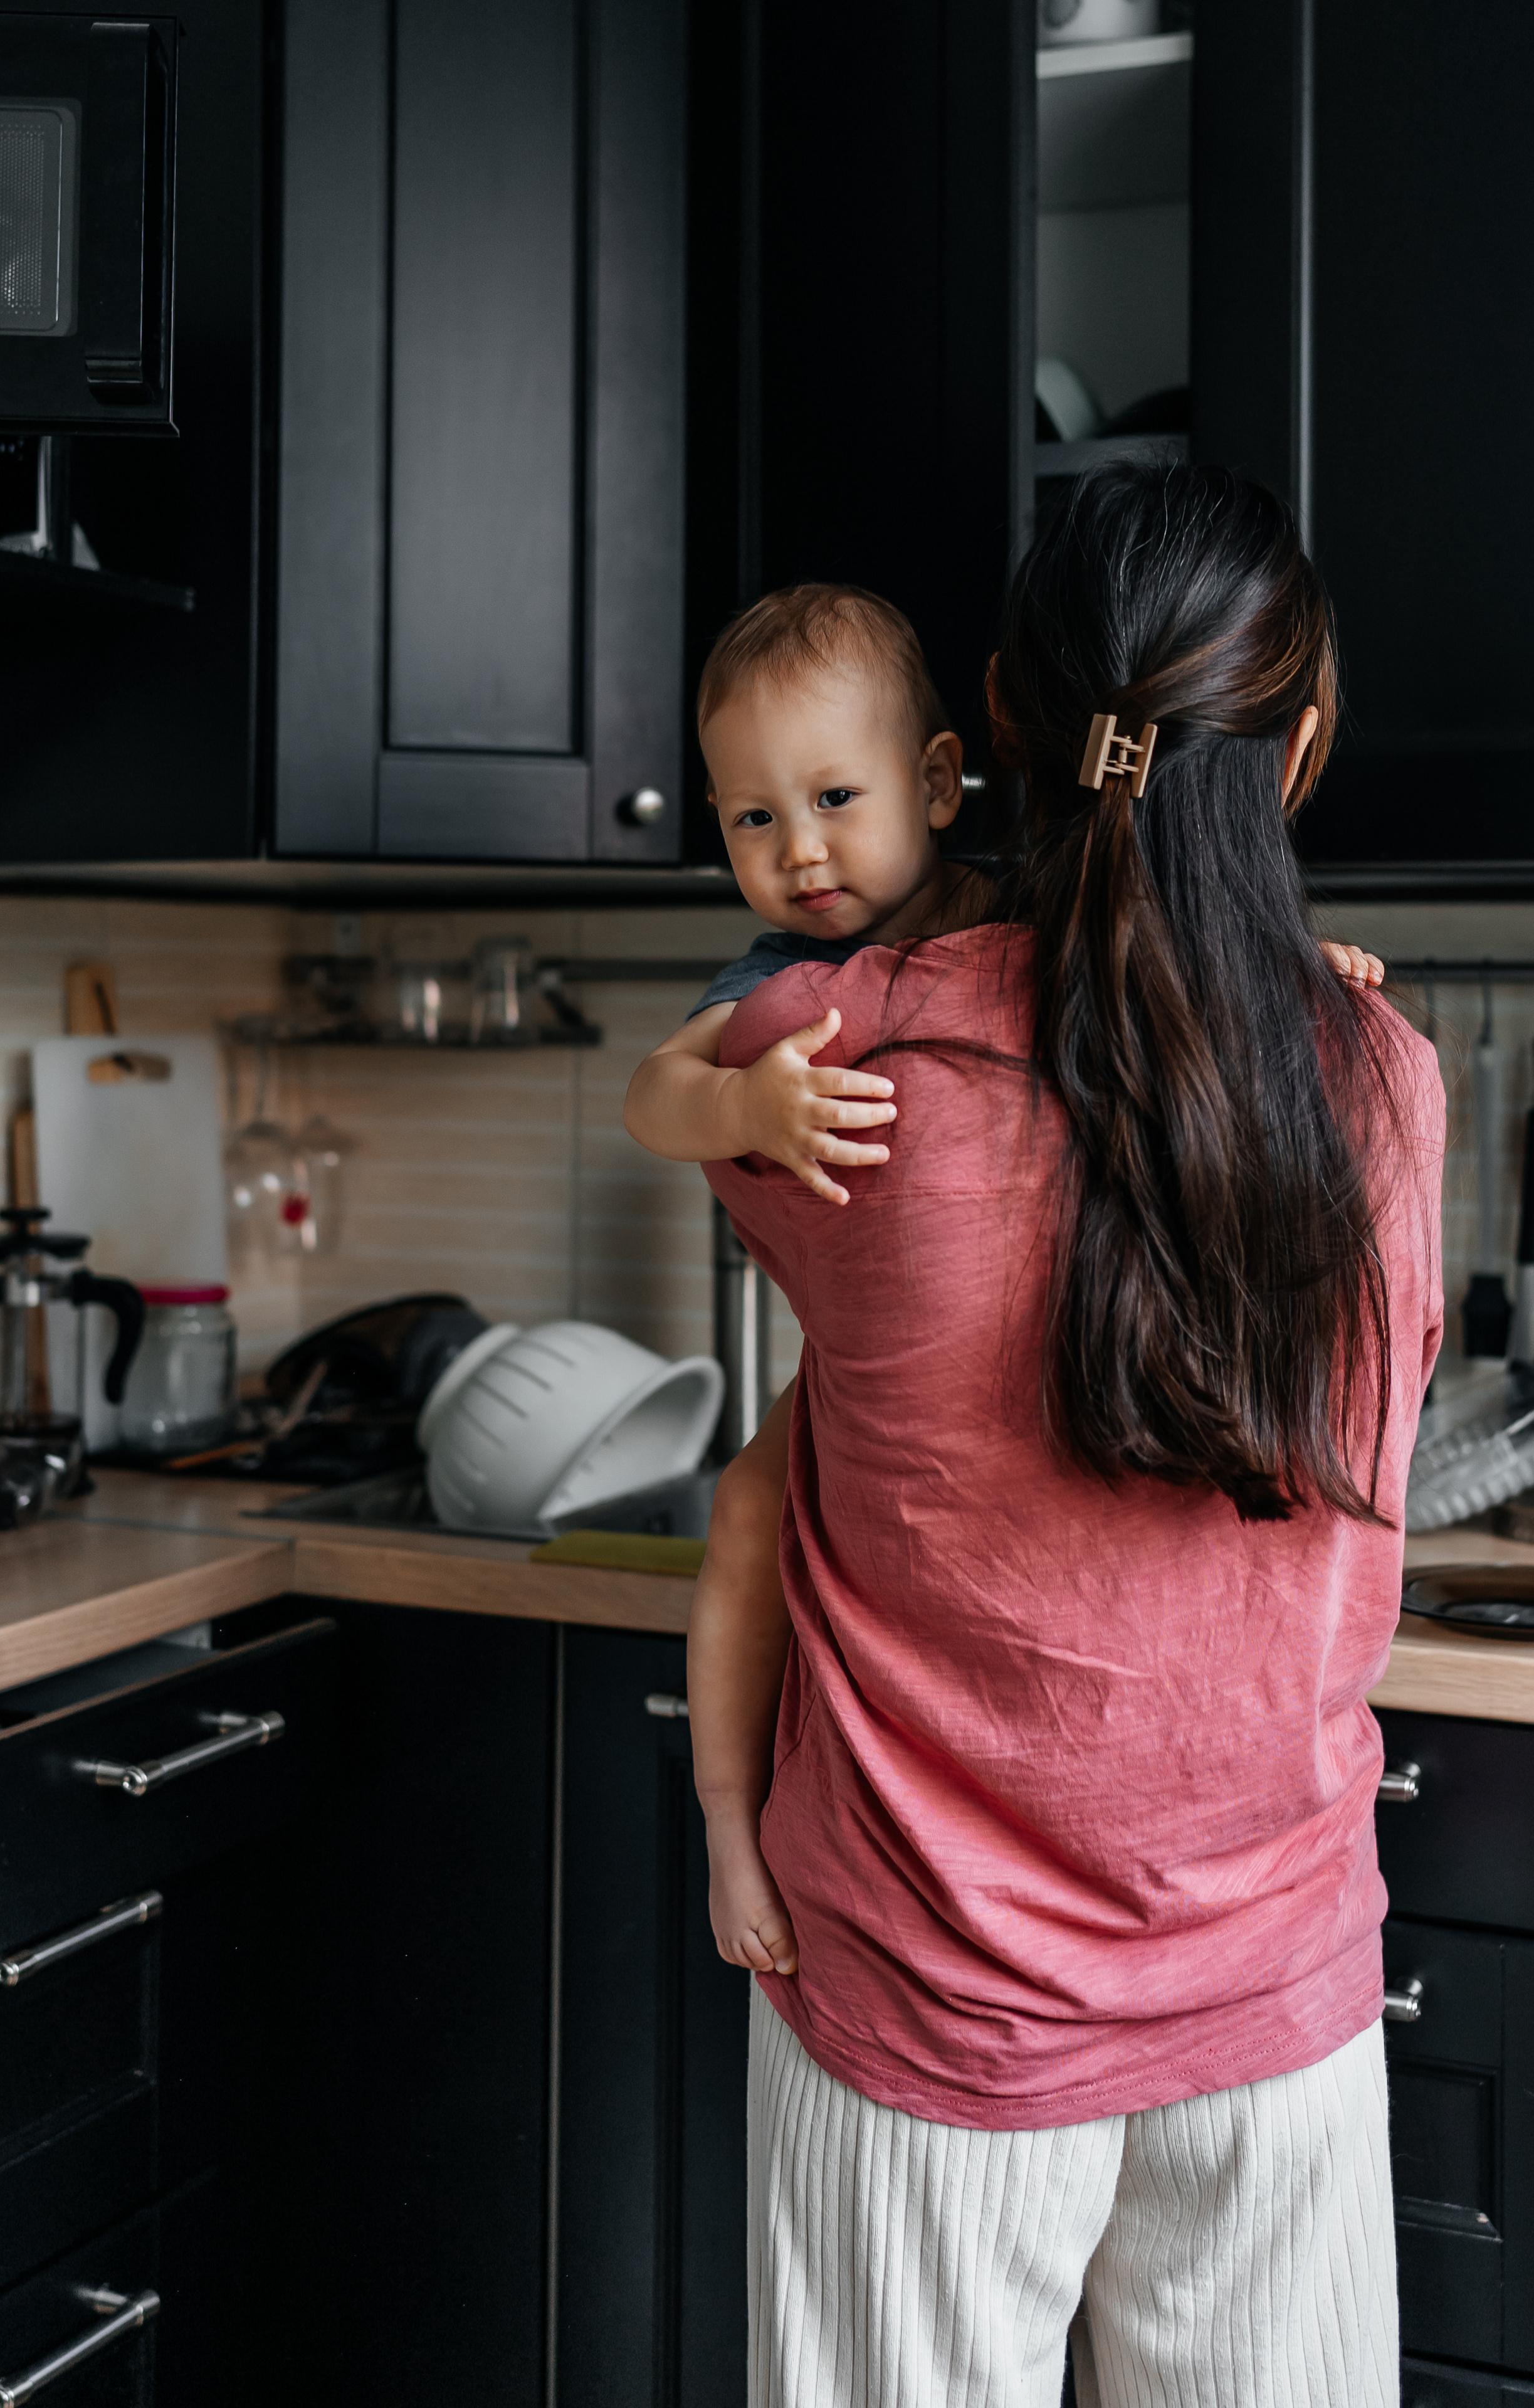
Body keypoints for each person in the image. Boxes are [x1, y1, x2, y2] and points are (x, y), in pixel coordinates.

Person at [681, 465, 1445, 2408]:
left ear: (990, 739)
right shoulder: (1388, 1080)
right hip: (1273, 2004)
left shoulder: (841, 1062)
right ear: (1307, 732)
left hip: (929, 2010)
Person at [624, 583, 1384, 1204]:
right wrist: (744, 1106)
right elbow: (654, 1092)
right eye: (754, 817)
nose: (799, 850)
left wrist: (1283, 961)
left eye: (835, 798)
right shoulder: (778, 975)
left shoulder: (1023, 898)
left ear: (936, 784)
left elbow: (1163, 946)